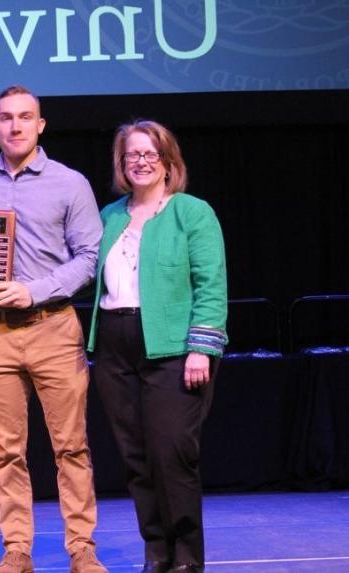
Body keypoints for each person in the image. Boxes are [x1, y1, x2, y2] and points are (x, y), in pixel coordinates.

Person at [0, 86, 107, 573]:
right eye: (6, 118)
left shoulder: (70, 183)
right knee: (6, 452)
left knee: (71, 447)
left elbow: (89, 259)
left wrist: (34, 290)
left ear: (40, 125)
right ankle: (17, 550)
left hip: (53, 326)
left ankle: (81, 549)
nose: (16, 126)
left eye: (26, 117)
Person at [86, 120, 227, 573]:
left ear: (168, 163)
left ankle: (186, 558)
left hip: (171, 348)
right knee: (136, 458)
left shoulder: (191, 211)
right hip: (115, 346)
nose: (141, 162)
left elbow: (210, 283)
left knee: (172, 455)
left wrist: (201, 347)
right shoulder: (110, 216)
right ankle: (156, 553)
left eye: (151, 155)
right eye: (132, 155)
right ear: (122, 164)